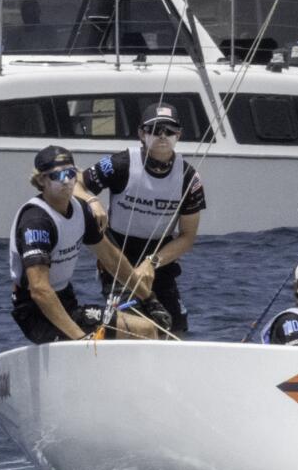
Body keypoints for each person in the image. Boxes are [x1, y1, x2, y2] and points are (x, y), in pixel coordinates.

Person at [76, 102, 205, 334]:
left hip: (159, 260)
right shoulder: (119, 164)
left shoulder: (190, 179)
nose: (162, 136)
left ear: (179, 135)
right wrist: (92, 201)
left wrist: (151, 263)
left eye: (169, 130)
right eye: (155, 130)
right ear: (141, 134)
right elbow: (77, 182)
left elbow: (187, 237)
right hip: (117, 256)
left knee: (174, 327)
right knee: (132, 328)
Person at [10, 145, 157, 343]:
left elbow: (110, 258)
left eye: (70, 174)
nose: (66, 181)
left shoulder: (80, 210)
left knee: (148, 329)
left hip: (68, 302)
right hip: (35, 312)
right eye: (57, 176)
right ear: (41, 180)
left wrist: (148, 298)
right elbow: (39, 290)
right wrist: (81, 339)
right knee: (126, 335)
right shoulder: (37, 222)